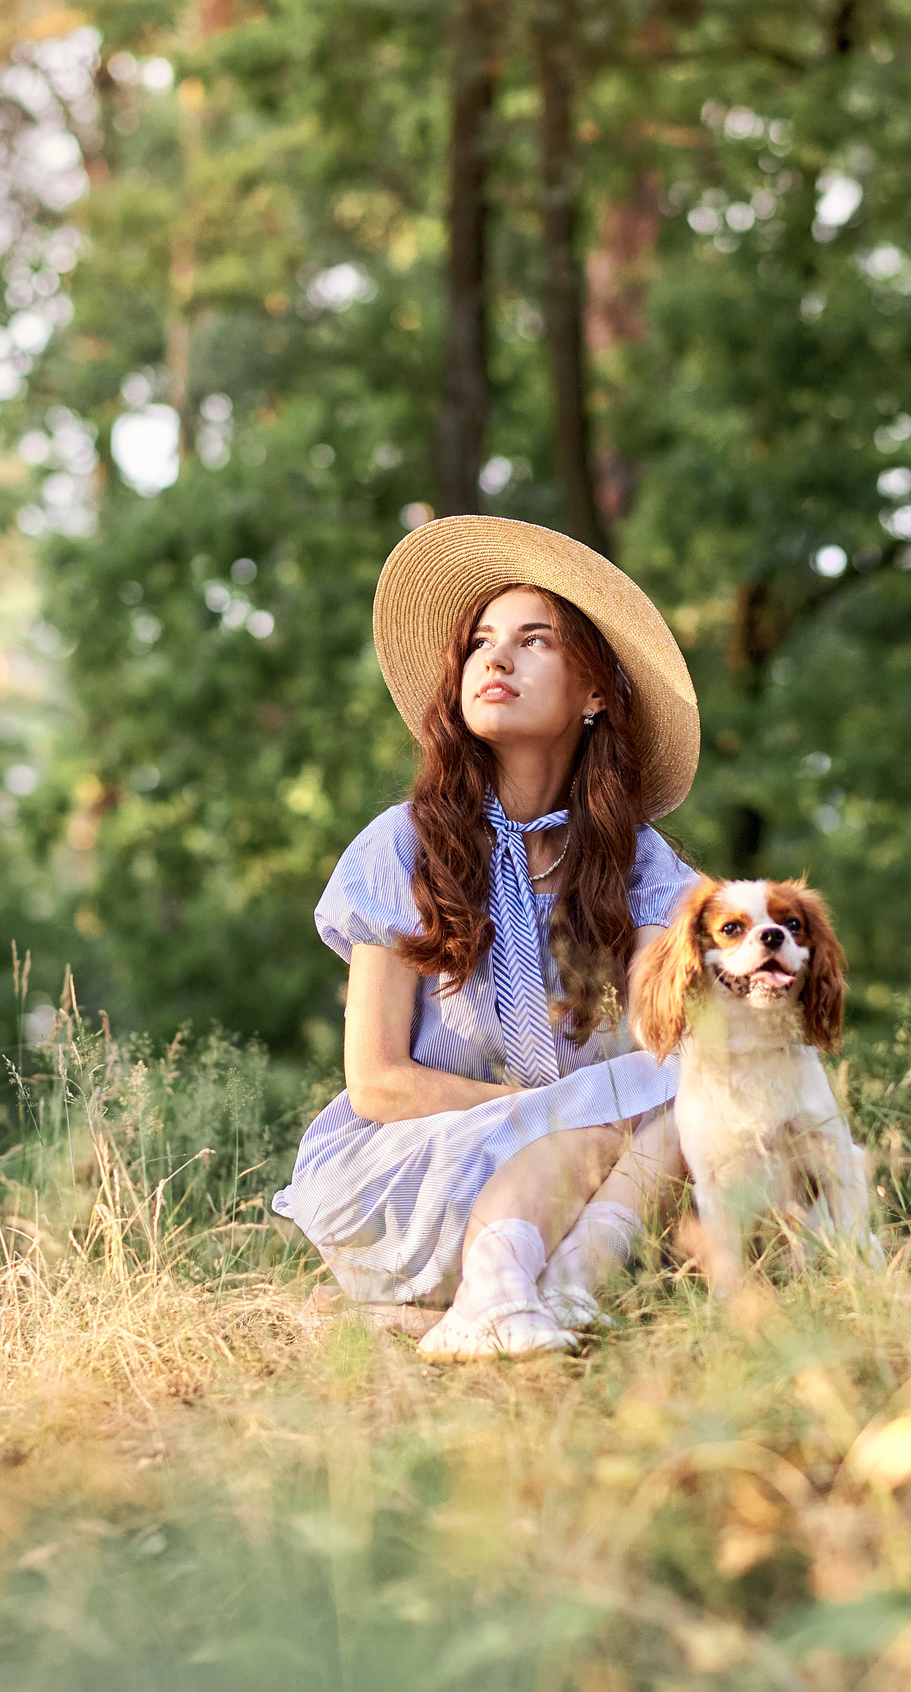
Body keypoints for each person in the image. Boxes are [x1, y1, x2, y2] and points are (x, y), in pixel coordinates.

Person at [269, 515, 704, 1358]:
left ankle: (556, 1286)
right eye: (479, 643)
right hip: (413, 1177)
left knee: (693, 1091)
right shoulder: (406, 843)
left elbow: (665, 1056)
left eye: (533, 640)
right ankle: (502, 1293)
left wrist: (589, 1115)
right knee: (599, 1120)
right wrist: (548, 1113)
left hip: (595, 1195)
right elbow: (378, 1084)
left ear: (597, 692)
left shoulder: (640, 864)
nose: (495, 659)